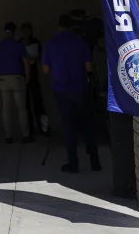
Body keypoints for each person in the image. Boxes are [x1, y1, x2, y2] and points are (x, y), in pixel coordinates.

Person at [42, 14, 100, 173]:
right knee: (88, 124)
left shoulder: (51, 44)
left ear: (59, 26)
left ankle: (73, 162)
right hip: (80, 88)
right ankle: (94, 161)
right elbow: (88, 68)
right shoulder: (80, 43)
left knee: (68, 126)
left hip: (61, 90)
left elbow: (45, 69)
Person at [0, 21, 34, 144]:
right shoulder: (18, 45)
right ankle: (25, 135)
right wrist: (28, 77)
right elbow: (26, 62)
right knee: (21, 109)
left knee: (6, 108)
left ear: (5, 31)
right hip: (17, 78)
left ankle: (8, 136)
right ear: (14, 32)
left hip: (3, 79)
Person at [19, 22, 49, 136]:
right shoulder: (19, 43)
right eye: (24, 31)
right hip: (23, 76)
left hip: (34, 75)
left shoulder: (35, 42)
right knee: (25, 105)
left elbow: (41, 55)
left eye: (27, 31)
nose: (26, 33)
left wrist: (34, 59)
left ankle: (44, 128)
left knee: (38, 103)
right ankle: (29, 129)